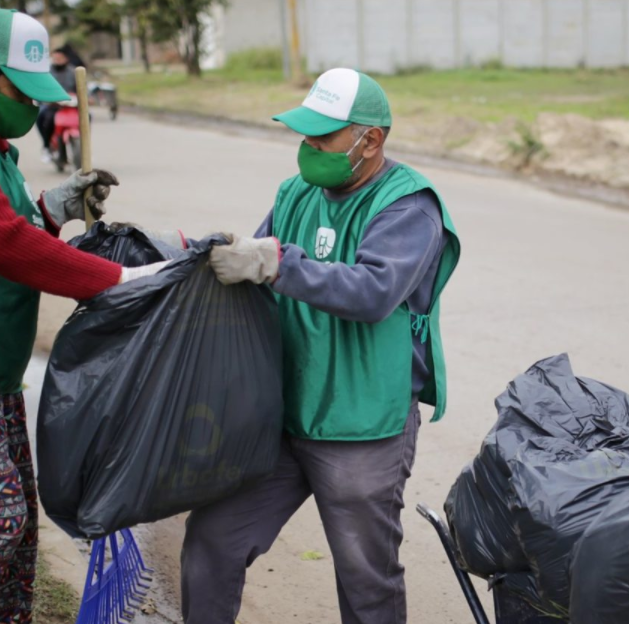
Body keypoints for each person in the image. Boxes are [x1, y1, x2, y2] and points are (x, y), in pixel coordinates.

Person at [181, 68, 461, 624]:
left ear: (371, 140)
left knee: (365, 577)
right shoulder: (295, 192)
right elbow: (258, 263)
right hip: (285, 413)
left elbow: (373, 291)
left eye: (323, 137)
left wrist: (276, 262)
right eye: (304, 135)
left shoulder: (409, 207)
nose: (307, 148)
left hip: (363, 426)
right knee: (213, 538)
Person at [0, 9, 167, 623]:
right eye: (24, 92)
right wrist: (117, 279)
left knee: (14, 527)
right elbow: (2, 242)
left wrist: (59, 203)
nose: (33, 109)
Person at [36, 48, 77, 162]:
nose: (57, 60)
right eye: (55, 58)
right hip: (51, 105)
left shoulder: (74, 72)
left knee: (87, 116)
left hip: (71, 105)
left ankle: (84, 147)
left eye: (60, 58)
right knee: (43, 117)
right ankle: (46, 146)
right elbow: (40, 89)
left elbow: (82, 88)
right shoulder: (46, 72)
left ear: (66, 58)